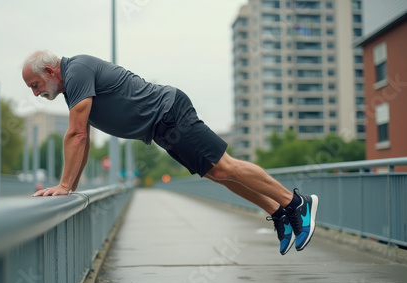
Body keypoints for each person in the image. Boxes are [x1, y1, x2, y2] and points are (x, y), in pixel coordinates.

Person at [21, 51, 319, 255]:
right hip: (161, 128)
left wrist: (63, 186)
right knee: (217, 173)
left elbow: (77, 134)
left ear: (49, 71)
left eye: (35, 85)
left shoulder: (77, 70)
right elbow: (82, 140)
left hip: (168, 112)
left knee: (224, 166)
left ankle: (296, 203)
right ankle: (278, 211)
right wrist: (69, 187)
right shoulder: (72, 88)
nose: (35, 93)